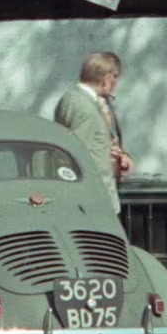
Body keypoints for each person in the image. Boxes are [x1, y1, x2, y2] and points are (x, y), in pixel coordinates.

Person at [54, 51, 132, 213]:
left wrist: (117, 155)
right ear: (108, 78)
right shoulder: (82, 106)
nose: (116, 84)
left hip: (94, 198)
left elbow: (94, 143)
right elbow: (76, 155)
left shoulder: (85, 101)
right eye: (116, 77)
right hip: (91, 202)